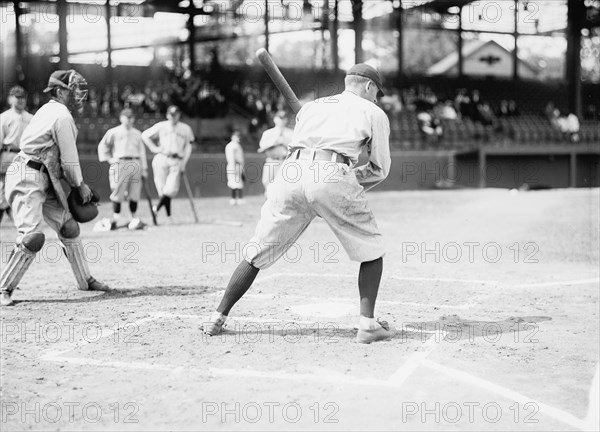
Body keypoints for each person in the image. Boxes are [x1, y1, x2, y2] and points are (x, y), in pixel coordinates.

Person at [204, 63, 394, 344]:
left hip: (290, 173)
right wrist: (347, 180)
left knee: (257, 250)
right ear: (367, 86)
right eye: (376, 92)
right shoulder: (373, 112)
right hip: (332, 171)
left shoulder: (313, 106)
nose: (376, 98)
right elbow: (380, 168)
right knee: (372, 249)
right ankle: (367, 324)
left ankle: (217, 317)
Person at [0, 70, 109, 306]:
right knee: (32, 237)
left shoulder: (49, 110)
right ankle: (4, 288)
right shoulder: (61, 116)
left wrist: (77, 184)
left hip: (42, 172)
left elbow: (56, 160)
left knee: (69, 227)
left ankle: (85, 280)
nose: (79, 93)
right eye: (73, 89)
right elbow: (69, 160)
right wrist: (79, 186)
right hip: (27, 174)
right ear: (59, 91)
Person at [141, 105, 194, 222]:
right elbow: (144, 135)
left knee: (170, 189)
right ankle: (169, 216)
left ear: (179, 115)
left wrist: (184, 162)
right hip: (162, 157)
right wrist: (153, 148)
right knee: (162, 189)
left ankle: (156, 209)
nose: (174, 117)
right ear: (167, 115)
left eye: (176, 114)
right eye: (172, 114)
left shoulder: (185, 128)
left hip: (177, 159)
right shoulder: (161, 126)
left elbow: (188, 146)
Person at [97, 108, 148, 230]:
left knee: (134, 193)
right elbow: (103, 146)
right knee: (117, 191)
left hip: (135, 162)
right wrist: (109, 159)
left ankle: (133, 219)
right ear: (121, 118)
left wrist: (144, 168)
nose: (129, 119)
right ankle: (117, 219)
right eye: (127, 117)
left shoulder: (137, 133)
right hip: (120, 162)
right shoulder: (113, 132)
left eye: (131, 117)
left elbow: (142, 152)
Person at [0, 86, 33, 224]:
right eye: (17, 97)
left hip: (24, 156)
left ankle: (23, 227)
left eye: (23, 97)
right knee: (2, 192)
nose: (20, 100)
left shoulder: (31, 118)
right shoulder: (4, 117)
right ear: (10, 99)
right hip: (7, 154)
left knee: (24, 192)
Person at [257, 110, 293, 197]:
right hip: (272, 161)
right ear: (275, 119)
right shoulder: (268, 133)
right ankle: (269, 207)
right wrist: (276, 142)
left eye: (284, 118)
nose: (282, 120)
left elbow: (296, 147)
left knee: (285, 187)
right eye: (280, 118)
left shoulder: (291, 132)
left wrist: (284, 142)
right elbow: (261, 147)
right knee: (268, 184)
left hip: (286, 161)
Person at [224, 130, 245, 205]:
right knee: (235, 183)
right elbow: (231, 158)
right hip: (234, 165)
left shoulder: (237, 145)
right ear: (232, 137)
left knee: (238, 182)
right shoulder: (232, 145)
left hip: (238, 165)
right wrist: (233, 168)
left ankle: (237, 199)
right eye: (237, 136)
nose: (238, 138)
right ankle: (235, 199)